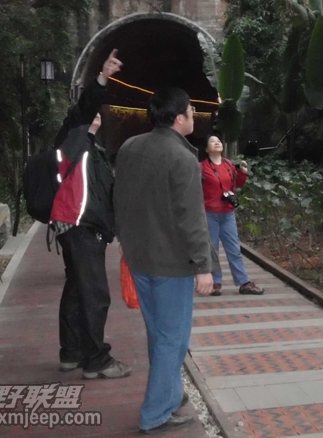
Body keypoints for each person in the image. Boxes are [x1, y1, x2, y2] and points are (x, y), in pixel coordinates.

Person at [113, 87, 214, 434]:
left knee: (158, 334)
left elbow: (119, 199)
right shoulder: (181, 158)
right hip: (171, 263)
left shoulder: (130, 147)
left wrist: (125, 241)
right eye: (191, 110)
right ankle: (155, 413)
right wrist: (203, 266)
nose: (194, 115)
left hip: (139, 257)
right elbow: (191, 217)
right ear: (178, 118)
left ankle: (171, 396)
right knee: (173, 339)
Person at [49, 49, 132, 380]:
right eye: (90, 114)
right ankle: (97, 358)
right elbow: (85, 107)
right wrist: (103, 77)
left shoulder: (94, 152)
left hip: (81, 227)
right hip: (80, 226)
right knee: (95, 293)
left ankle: (70, 352)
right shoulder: (73, 139)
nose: (96, 115)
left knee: (76, 289)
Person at [201, 134, 264, 296]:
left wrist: (243, 173)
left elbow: (238, 184)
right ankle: (215, 283)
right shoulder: (202, 167)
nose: (217, 143)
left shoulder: (228, 164)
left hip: (227, 214)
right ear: (207, 149)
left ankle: (244, 283)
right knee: (212, 250)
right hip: (210, 214)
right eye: (212, 142)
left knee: (234, 249)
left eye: (218, 141)